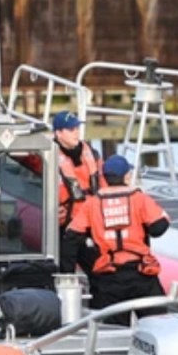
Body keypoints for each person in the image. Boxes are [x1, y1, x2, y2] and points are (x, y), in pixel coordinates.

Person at [60, 156, 171, 319]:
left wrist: (67, 275)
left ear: (104, 177)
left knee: (111, 333)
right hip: (141, 274)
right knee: (159, 324)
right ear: (126, 176)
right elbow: (158, 228)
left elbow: (71, 239)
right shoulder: (139, 198)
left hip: (109, 277)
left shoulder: (92, 204)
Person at [52, 110, 104, 273]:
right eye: (71, 129)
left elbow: (103, 183)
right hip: (66, 226)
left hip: (91, 222)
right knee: (65, 271)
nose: (76, 133)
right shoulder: (48, 156)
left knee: (98, 270)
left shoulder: (91, 153)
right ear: (58, 133)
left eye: (77, 128)